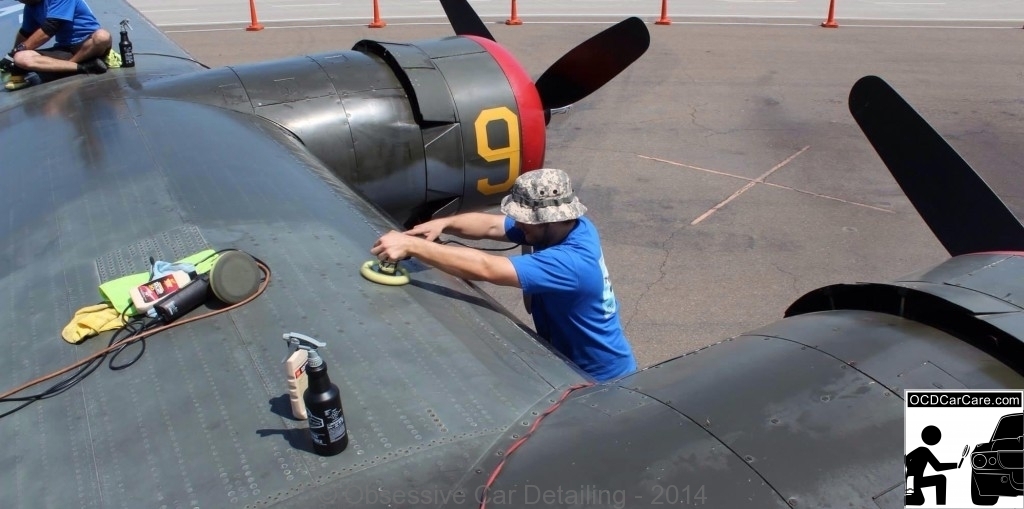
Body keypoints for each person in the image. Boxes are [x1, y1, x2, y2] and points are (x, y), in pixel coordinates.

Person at [371, 168, 637, 382]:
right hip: (572, 364)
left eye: (524, 218)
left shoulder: (573, 262)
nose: (518, 224)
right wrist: (444, 224)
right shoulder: (569, 227)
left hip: (602, 380)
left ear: (551, 219)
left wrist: (414, 246)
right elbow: (489, 224)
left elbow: (488, 268)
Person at [1, 0, 111, 91]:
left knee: (102, 37)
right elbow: (25, 33)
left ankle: (64, 68)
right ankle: (84, 67)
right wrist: (12, 56)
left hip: (89, 44)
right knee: (21, 58)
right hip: (65, 49)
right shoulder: (31, 7)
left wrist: (15, 51)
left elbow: (50, 28)